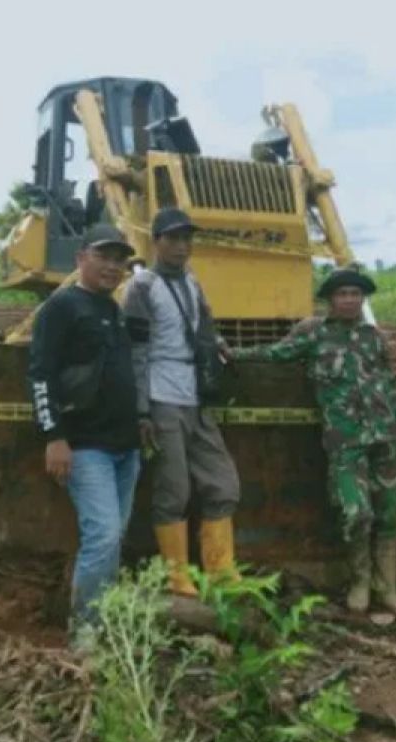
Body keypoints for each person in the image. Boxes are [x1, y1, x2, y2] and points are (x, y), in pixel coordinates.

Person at [233, 269, 396, 616]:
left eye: (356, 294)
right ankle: (360, 582)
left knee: (389, 512)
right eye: (343, 293)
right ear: (330, 300)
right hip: (345, 441)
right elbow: (275, 354)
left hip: (385, 438)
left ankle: (388, 589)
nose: (350, 299)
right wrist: (233, 354)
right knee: (356, 512)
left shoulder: (373, 337)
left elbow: (390, 387)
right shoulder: (315, 335)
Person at [122, 208, 241, 596]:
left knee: (223, 482)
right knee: (174, 488)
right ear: (156, 242)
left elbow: (205, 328)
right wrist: (141, 410)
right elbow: (135, 353)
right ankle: (177, 577)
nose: (181, 246)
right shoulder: (142, 288)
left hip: (196, 395)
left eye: (187, 239)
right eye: (173, 238)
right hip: (161, 394)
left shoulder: (193, 284)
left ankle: (221, 570)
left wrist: (220, 345)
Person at [27, 224, 140, 628]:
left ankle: (105, 620)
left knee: (112, 541)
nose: (112, 267)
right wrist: (54, 436)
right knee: (104, 537)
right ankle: (87, 634)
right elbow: (41, 373)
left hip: (127, 448)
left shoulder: (112, 309)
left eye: (119, 259)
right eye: (103, 257)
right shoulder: (62, 306)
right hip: (88, 446)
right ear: (80, 259)